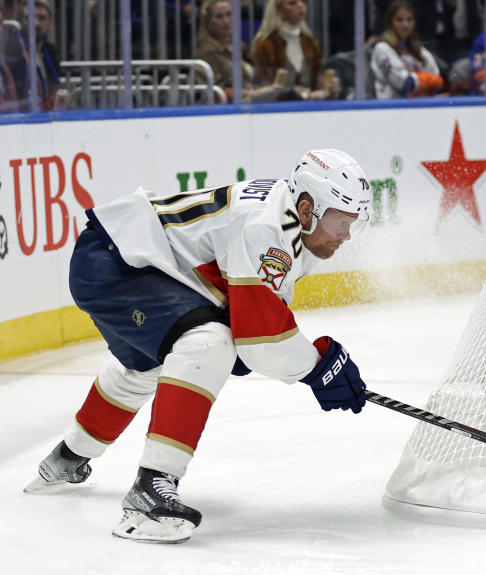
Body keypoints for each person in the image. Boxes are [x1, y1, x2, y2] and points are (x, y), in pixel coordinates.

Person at [24, 149, 372, 543]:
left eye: (353, 224)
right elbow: (261, 342)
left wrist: (294, 356)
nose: (346, 235)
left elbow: (255, 316)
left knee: (151, 366)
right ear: (308, 208)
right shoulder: (268, 229)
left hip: (130, 259)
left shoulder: (290, 219)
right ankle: (149, 492)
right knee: (207, 343)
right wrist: (318, 366)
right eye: (340, 222)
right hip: (118, 263)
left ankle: (67, 458)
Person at [252, 0, 340, 101]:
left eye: (302, 1)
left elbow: (317, 79)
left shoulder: (310, 42)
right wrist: (305, 95)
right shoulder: (265, 45)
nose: (300, 6)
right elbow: (266, 87)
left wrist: (328, 87)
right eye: (292, 3)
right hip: (277, 109)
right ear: (279, 11)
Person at [193, 0, 283, 103]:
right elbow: (216, 92)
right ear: (208, 22)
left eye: (229, 14)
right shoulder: (205, 52)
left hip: (252, 99)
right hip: (229, 106)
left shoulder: (240, 46)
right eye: (219, 16)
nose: (226, 20)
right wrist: (256, 93)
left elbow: (258, 77)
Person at [370, 0, 444, 99]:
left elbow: (438, 81)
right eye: (399, 20)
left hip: (421, 106)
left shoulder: (419, 50)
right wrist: (427, 80)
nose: (405, 25)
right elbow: (405, 84)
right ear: (390, 22)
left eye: (409, 20)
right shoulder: (382, 49)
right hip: (390, 108)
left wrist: (420, 80)